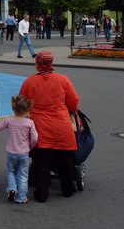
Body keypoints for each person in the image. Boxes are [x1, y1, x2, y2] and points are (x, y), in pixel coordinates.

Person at [18, 52, 80, 202]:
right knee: (65, 159)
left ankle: (42, 193)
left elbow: (22, 104)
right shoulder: (63, 80)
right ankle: (68, 189)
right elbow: (73, 102)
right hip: (61, 126)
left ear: (38, 64)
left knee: (41, 162)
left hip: (39, 128)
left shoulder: (30, 82)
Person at [0, 96, 38, 204]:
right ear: (28, 108)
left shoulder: (9, 121)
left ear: (13, 107)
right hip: (24, 153)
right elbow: (34, 137)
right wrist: (29, 147)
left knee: (11, 172)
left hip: (11, 152)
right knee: (23, 175)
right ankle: (21, 197)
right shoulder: (29, 123)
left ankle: (12, 188)